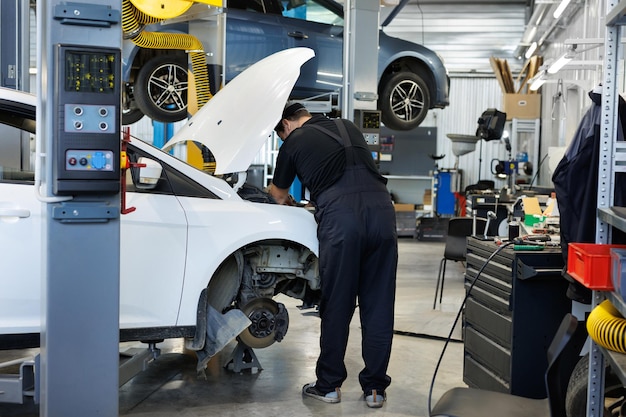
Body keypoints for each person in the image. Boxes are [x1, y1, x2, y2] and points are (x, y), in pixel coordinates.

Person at [269, 102, 398, 408]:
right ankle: (375, 390)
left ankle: (328, 386)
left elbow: (276, 194)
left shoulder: (293, 141)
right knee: (378, 305)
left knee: (338, 302)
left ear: (286, 125)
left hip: (342, 220)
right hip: (382, 213)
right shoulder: (348, 126)